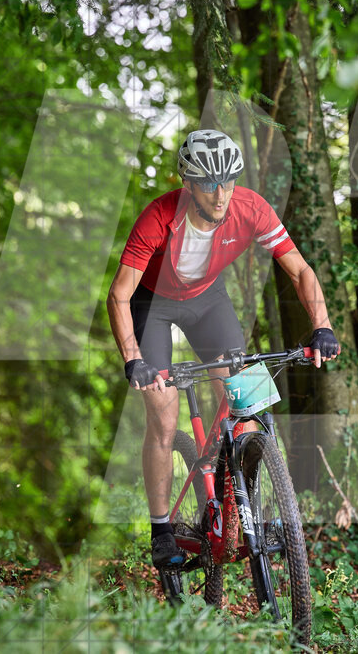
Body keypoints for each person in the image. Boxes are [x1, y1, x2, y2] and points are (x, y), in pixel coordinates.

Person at [106, 129, 341, 569]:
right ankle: (161, 529)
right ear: (189, 184)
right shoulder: (158, 217)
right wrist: (133, 358)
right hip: (151, 303)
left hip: (207, 299)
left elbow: (300, 270)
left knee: (243, 400)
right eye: (210, 183)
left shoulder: (250, 207)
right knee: (163, 413)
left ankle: (244, 504)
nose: (221, 194)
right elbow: (119, 295)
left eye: (228, 181)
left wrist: (321, 327)